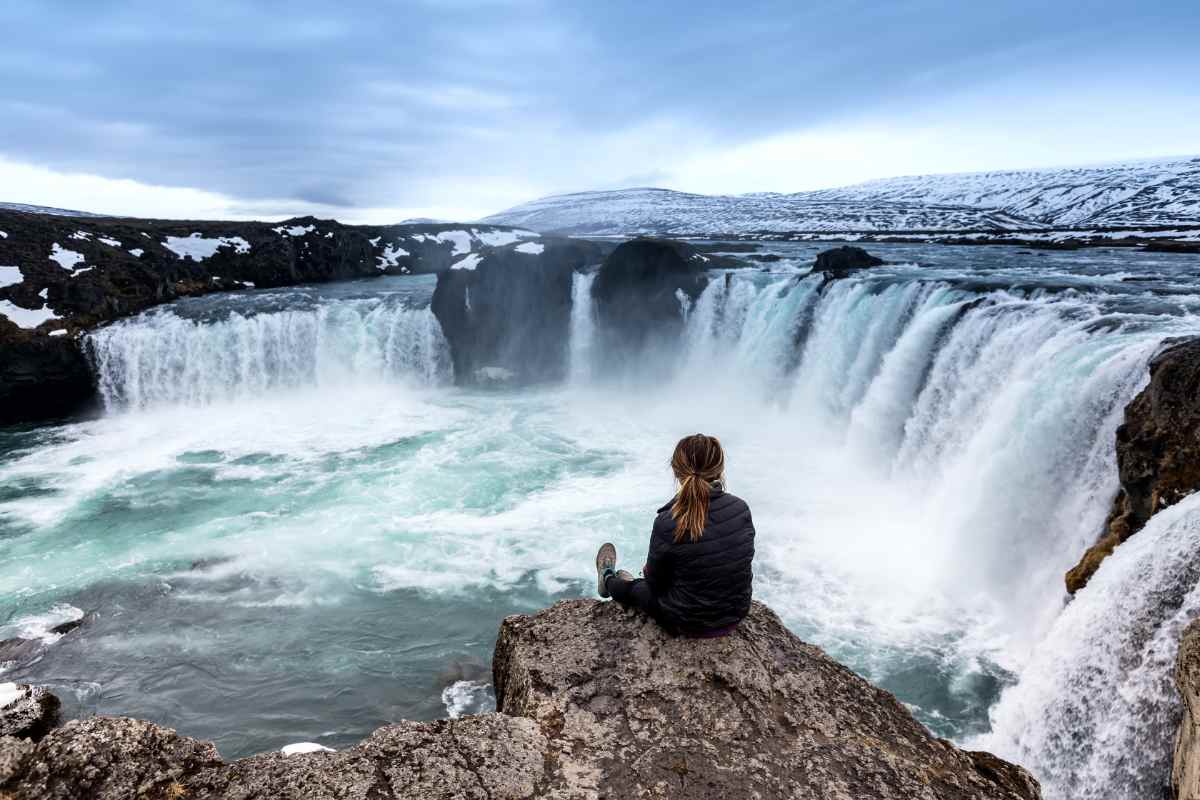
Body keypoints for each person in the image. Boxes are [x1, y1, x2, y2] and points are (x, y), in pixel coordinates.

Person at [595, 433, 755, 637]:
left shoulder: (668, 521)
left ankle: (608, 578)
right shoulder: (741, 508)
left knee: (635, 589)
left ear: (676, 471)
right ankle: (625, 580)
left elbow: (655, 583)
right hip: (735, 613)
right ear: (719, 469)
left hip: (688, 621)